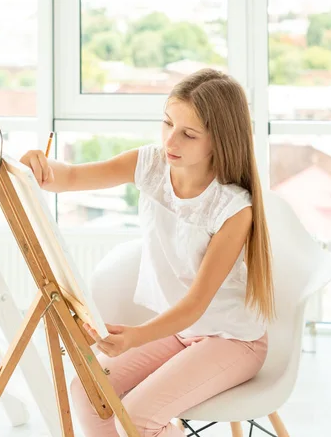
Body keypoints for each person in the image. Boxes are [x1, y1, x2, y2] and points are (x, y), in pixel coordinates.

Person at [19, 68, 275, 437]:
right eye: (168, 123)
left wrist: (136, 337)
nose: (171, 140)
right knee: (89, 392)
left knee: (134, 418)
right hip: (181, 332)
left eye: (188, 134)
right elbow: (71, 177)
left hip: (231, 340)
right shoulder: (150, 164)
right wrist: (39, 169)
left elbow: (196, 304)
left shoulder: (234, 209)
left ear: (218, 141)